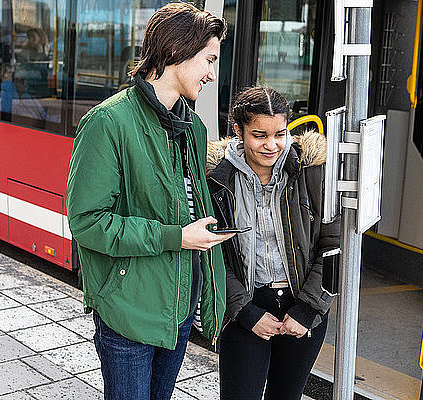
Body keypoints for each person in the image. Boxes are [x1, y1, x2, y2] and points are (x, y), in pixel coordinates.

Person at [66, 3, 231, 399]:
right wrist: (176, 237)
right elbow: (87, 221)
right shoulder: (108, 122)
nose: (212, 74)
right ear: (176, 52)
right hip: (128, 311)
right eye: (208, 60)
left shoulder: (192, 125)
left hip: (177, 308)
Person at [206, 87, 341, 400]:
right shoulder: (216, 179)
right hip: (245, 311)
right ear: (238, 131)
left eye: (280, 133)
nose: (271, 145)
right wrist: (246, 313)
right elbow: (211, 253)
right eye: (259, 135)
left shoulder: (313, 172)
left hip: (303, 308)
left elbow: (334, 244)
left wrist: (308, 309)